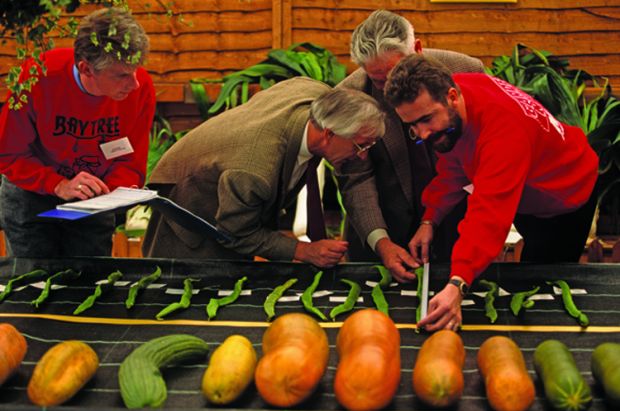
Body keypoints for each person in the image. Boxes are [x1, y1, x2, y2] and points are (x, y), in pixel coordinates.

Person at [384, 54, 599, 331]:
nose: (422, 134)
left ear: (451, 96)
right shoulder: (456, 99)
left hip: (565, 195)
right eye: (412, 125)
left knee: (544, 292)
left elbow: (488, 216)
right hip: (528, 190)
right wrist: (430, 219)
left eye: (426, 119)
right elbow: (454, 165)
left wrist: (457, 284)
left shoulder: (503, 133)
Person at [142, 77, 385, 268]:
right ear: (329, 133)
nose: (362, 155)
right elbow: (236, 233)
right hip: (191, 216)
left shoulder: (315, 96)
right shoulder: (254, 170)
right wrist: (302, 250)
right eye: (359, 145)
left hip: (230, 183)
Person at [336, 9, 484, 281]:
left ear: (417, 49)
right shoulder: (350, 97)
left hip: (456, 222)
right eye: (379, 81)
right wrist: (381, 243)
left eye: (395, 72)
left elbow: (484, 157)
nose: (391, 87)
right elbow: (356, 180)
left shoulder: (466, 71)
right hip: (385, 228)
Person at [0, 7, 155, 258]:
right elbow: (8, 154)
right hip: (31, 197)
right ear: (86, 69)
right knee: (31, 285)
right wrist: (58, 185)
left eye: (136, 70)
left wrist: (106, 194)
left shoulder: (139, 89)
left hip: (94, 199)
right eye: (123, 75)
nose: (134, 83)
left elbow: (131, 161)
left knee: (89, 283)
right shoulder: (37, 77)